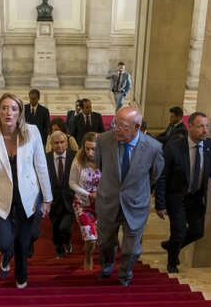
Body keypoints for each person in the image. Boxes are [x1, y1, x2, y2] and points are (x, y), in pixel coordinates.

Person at [0, 93, 52, 288]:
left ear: (20, 112)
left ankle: (21, 277)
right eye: (4, 108)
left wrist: (47, 198)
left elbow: (41, 166)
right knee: (5, 243)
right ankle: (6, 256)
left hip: (28, 194)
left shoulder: (32, 131)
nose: (8, 112)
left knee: (24, 240)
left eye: (13, 108)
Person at [95, 105, 164, 286]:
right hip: (108, 201)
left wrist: (135, 188)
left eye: (123, 126)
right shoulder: (103, 140)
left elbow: (155, 174)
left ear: (137, 127)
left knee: (131, 249)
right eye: (115, 124)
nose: (117, 128)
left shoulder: (153, 147)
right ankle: (107, 266)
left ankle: (125, 275)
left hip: (135, 204)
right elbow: (101, 166)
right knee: (105, 243)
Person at [155, 112, 211, 274]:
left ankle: (171, 245)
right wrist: (160, 204)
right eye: (201, 126)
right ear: (190, 127)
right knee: (179, 233)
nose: (205, 130)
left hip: (196, 198)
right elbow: (162, 177)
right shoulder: (174, 147)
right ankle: (172, 262)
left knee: (197, 231)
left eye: (207, 126)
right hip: (177, 198)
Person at [69, 132, 101, 270]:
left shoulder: (106, 160)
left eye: (93, 149)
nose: (90, 152)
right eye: (87, 148)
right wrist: (88, 194)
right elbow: (72, 183)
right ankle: (88, 259)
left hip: (101, 204)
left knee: (96, 236)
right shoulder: (78, 161)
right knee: (91, 237)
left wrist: (99, 194)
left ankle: (88, 245)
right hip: (82, 203)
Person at [46, 131, 77, 259]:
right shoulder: (45, 158)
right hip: (54, 200)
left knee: (65, 227)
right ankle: (59, 250)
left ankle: (67, 242)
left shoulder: (75, 156)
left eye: (62, 142)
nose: (59, 145)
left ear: (66, 143)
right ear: (52, 144)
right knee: (56, 228)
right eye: (56, 143)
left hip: (70, 199)